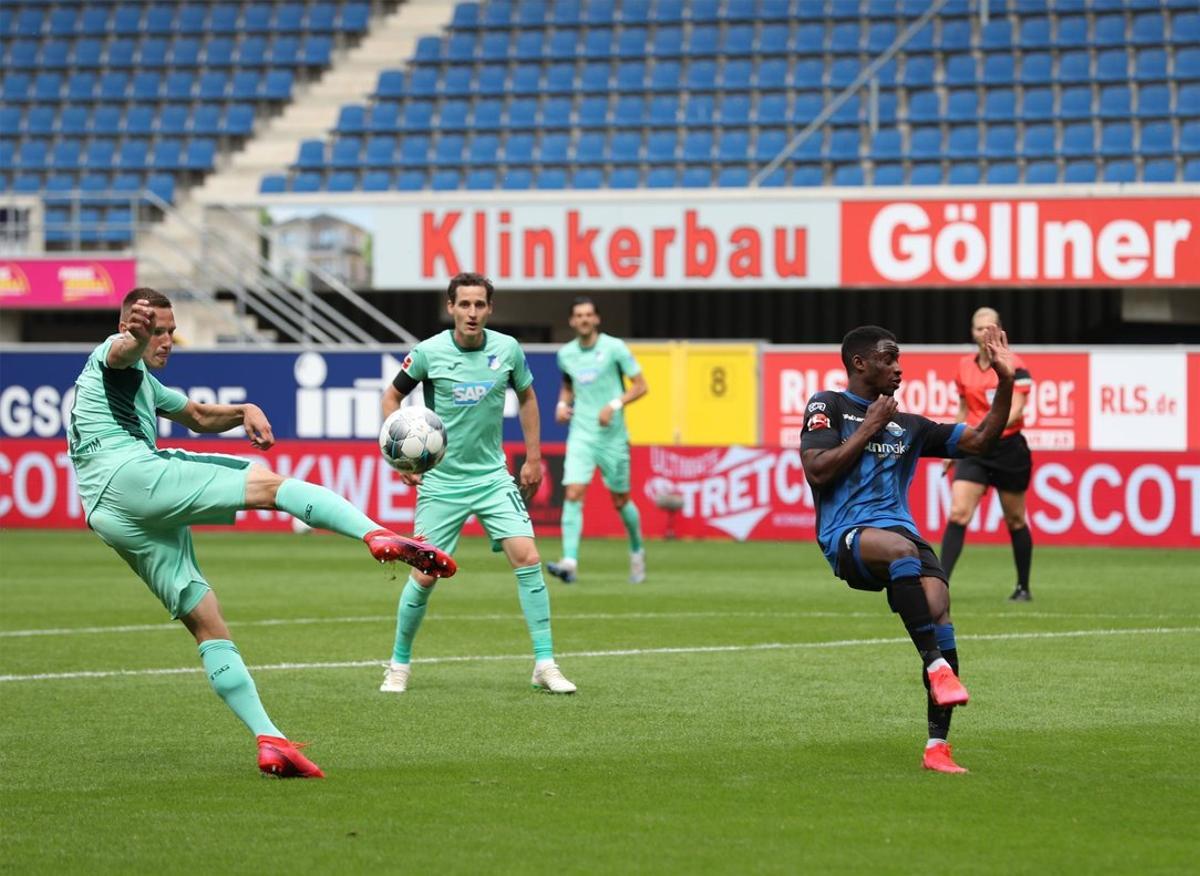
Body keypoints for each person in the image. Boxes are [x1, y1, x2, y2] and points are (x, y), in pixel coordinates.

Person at [70, 288, 454, 779]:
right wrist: (133, 336)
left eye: (170, 331)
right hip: (128, 473)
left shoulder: (142, 382)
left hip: (107, 512)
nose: (165, 340)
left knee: (206, 621)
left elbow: (198, 417)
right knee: (271, 486)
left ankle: (270, 739)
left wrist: (243, 410)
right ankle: (379, 535)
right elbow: (120, 350)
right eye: (156, 330)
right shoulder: (111, 355)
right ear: (130, 324)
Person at [800, 324, 1015, 774]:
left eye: (899, 358)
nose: (898, 367)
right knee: (901, 551)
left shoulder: (911, 427)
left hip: (903, 534)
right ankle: (935, 665)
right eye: (888, 358)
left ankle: (938, 747)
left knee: (939, 605)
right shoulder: (829, 405)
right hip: (848, 535)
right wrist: (869, 427)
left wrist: (1006, 382)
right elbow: (818, 470)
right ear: (860, 363)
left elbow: (980, 441)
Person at [379, 272, 576, 695]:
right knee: (426, 575)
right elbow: (391, 397)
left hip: (491, 477)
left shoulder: (507, 350)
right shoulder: (428, 353)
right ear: (450, 307)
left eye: (480, 305)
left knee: (527, 557)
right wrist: (398, 456)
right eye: (464, 304)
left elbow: (526, 397)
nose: (472, 312)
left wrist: (534, 456)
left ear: (489, 308)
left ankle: (545, 662)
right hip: (442, 481)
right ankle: (398, 664)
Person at [545, 297, 649, 585]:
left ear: (597, 319)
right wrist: (561, 406)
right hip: (581, 433)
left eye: (589, 315)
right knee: (574, 493)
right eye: (579, 315)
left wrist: (614, 404)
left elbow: (641, 386)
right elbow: (568, 387)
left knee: (620, 500)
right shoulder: (566, 354)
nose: (584, 320)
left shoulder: (614, 348)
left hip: (612, 435)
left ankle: (637, 550)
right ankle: (569, 561)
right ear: (571, 321)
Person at [940, 307, 1035, 601]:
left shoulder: (1015, 365)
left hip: (1008, 448)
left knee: (1016, 520)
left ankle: (1022, 587)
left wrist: (983, 428)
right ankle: (939, 586)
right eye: (978, 328)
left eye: (988, 328)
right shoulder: (963, 367)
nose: (983, 334)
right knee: (958, 513)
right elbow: (964, 409)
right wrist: (951, 446)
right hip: (975, 447)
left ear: (998, 330)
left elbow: (1016, 410)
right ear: (972, 332)